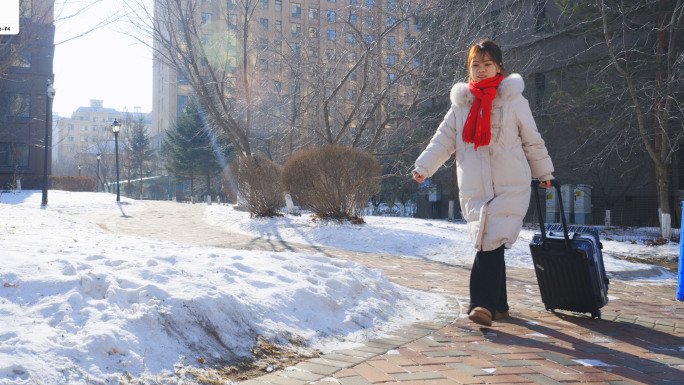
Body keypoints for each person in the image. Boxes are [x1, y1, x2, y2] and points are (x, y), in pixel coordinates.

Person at [412, 39, 555, 327]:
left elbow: (532, 139)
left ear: (499, 66)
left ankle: (481, 304)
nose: (481, 70)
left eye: (487, 64)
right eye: (475, 65)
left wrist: (544, 173)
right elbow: (443, 140)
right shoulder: (461, 105)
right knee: (492, 243)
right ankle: (499, 306)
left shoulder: (514, 101)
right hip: (475, 187)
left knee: (488, 243)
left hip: (509, 184)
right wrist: (423, 167)